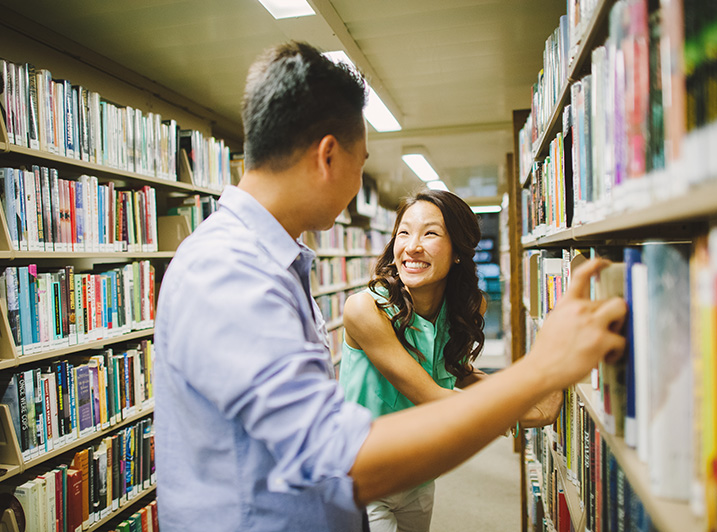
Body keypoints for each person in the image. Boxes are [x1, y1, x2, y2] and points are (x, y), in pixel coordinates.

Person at [153, 41, 628, 532]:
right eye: (361, 164)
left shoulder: (268, 264)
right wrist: (542, 369)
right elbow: (342, 461)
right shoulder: (231, 273)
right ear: (328, 157)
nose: (359, 186)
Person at [339, 189, 562, 531]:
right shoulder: (365, 309)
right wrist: (524, 412)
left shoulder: (462, 309)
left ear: (458, 250)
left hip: (419, 472)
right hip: (364, 475)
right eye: (403, 232)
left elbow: (458, 372)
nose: (412, 246)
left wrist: (533, 388)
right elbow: (431, 397)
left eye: (430, 233)